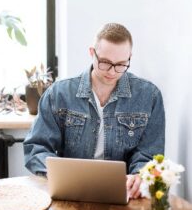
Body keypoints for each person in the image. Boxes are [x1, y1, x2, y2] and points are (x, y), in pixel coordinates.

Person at [23, 23, 165, 199]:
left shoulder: (149, 96)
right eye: (105, 62)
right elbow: (36, 147)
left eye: (121, 64)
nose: (112, 72)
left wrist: (138, 176)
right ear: (92, 53)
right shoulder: (59, 93)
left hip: (124, 193)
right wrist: (57, 175)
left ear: (129, 57)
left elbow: (149, 154)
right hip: (70, 191)